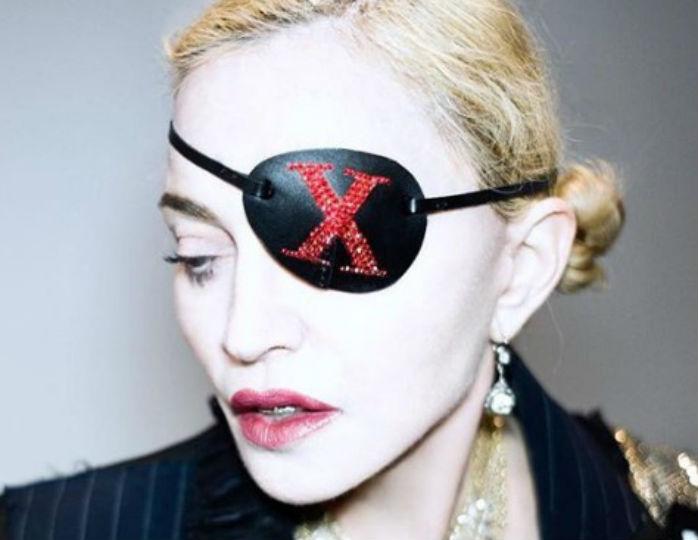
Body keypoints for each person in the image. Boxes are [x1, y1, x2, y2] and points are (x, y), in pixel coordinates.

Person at [1, 0, 696, 538]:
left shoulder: (668, 514)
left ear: (521, 268)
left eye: (337, 243)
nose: (244, 334)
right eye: (199, 257)